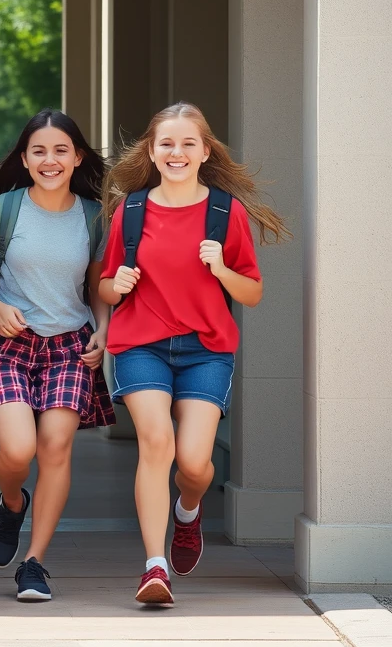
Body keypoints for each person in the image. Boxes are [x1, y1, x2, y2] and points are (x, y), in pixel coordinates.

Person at [98, 102, 289, 606]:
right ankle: (153, 566)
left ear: (205, 152)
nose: (176, 152)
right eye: (166, 143)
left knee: (196, 463)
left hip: (206, 349)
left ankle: (188, 509)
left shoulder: (226, 212)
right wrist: (114, 284)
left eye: (188, 143)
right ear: (152, 152)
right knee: (156, 443)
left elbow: (251, 293)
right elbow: (104, 285)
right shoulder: (131, 210)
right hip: (142, 345)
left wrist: (222, 269)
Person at [0, 109, 115, 602]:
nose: (50, 160)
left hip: (69, 345)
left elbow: (96, 289)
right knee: (18, 449)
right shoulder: (4, 211)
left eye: (61, 150)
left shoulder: (93, 218)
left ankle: (34, 563)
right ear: (25, 159)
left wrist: (103, 332)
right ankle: (11, 501)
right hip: (8, 344)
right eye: (39, 151)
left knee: (55, 448)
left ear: (78, 157)